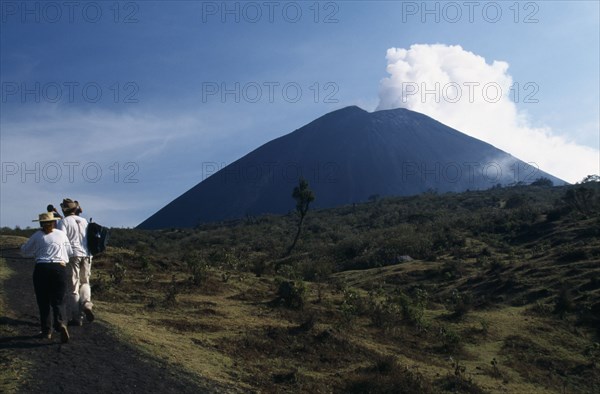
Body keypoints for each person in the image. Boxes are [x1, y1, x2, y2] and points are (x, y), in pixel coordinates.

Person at [20, 212, 72, 343]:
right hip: (59, 268)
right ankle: (61, 323)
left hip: (42, 268)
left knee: (43, 301)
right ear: (54, 222)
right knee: (59, 300)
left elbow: (25, 251)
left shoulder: (37, 235)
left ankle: (46, 331)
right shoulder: (61, 234)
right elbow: (70, 252)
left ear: (40, 223)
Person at [58, 198, 95, 326]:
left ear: (64, 210)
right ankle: (86, 304)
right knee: (85, 282)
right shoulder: (84, 221)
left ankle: (77, 317)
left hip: (73, 255)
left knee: (74, 286)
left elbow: (62, 239)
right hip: (87, 254)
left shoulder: (63, 222)